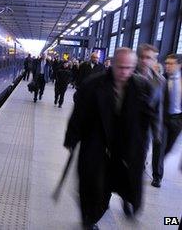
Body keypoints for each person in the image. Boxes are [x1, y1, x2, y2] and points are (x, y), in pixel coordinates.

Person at [64, 47, 157, 230]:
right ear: (112, 64)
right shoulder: (93, 84)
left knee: (125, 184)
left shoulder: (141, 87)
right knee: (96, 189)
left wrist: (149, 139)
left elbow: (148, 118)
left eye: (129, 68)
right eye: (120, 67)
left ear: (134, 67)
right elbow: (78, 114)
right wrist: (72, 138)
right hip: (96, 147)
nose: (124, 72)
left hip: (124, 151)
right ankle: (90, 219)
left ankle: (125, 201)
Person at [134, 44, 165, 188]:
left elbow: (158, 108)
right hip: (122, 125)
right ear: (138, 58)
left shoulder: (159, 81)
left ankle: (129, 194)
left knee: (139, 159)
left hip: (144, 128)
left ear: (155, 61)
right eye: (143, 57)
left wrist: (157, 131)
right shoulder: (127, 73)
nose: (146, 61)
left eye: (150, 58)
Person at [153, 53, 182, 187]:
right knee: (159, 147)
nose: (167, 66)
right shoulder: (161, 80)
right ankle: (157, 176)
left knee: (168, 148)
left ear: (179, 65)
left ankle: (158, 162)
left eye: (171, 63)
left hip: (177, 120)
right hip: (162, 119)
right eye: (166, 63)